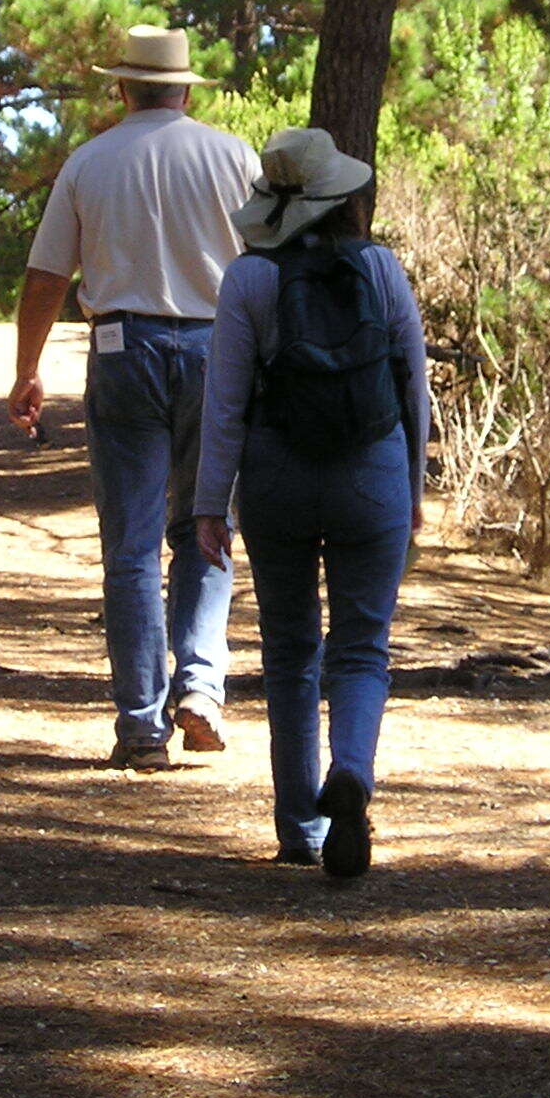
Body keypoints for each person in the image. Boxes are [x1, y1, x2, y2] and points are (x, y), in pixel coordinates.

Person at [10, 24, 259, 773]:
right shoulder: (235, 158)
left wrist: (27, 369)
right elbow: (271, 267)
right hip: (218, 351)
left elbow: (48, 276)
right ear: (185, 88)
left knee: (130, 545)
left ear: (122, 87)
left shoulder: (90, 163)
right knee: (207, 526)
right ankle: (202, 688)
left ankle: (142, 724)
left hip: (124, 350)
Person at [192, 128, 429, 877]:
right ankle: (352, 770)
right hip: (373, 473)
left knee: (291, 650)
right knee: (363, 646)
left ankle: (302, 828)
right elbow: (413, 390)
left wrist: (209, 504)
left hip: (277, 477)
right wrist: (413, 488)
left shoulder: (248, 281)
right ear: (343, 199)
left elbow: (224, 405)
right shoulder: (383, 269)